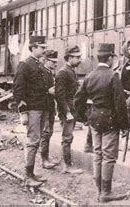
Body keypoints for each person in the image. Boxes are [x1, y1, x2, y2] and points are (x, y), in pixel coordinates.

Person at [74, 43, 129, 203]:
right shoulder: (113, 76)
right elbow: (120, 103)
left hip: (94, 119)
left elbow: (78, 99)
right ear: (110, 58)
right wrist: (124, 125)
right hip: (110, 120)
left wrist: (84, 117)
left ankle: (99, 190)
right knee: (109, 156)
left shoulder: (89, 76)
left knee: (98, 154)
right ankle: (106, 192)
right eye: (113, 57)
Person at [13, 36, 49, 187]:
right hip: (33, 108)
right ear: (33, 48)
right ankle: (28, 176)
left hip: (41, 107)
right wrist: (23, 111)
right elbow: (18, 90)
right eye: (41, 47)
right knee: (33, 141)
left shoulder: (38, 64)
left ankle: (32, 173)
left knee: (36, 140)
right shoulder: (25, 65)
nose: (44, 50)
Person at [55, 46, 84, 174]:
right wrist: (67, 112)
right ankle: (67, 166)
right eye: (77, 57)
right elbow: (59, 95)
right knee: (67, 138)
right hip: (67, 110)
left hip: (71, 108)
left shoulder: (70, 71)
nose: (79, 60)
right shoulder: (63, 72)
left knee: (68, 137)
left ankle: (67, 164)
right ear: (70, 58)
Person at [39, 49, 59, 169]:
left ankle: (46, 158)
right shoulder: (41, 72)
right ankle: (44, 160)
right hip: (44, 106)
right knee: (46, 133)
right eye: (53, 61)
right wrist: (48, 91)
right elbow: (36, 90)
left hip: (50, 106)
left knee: (49, 132)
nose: (55, 64)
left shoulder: (50, 72)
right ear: (46, 61)